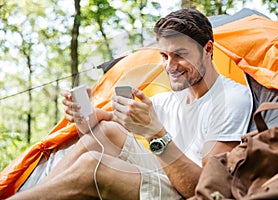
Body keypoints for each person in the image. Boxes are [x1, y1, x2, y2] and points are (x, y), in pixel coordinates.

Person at [8, 8, 252, 199]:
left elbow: (207, 190)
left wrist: (156, 133)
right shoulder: (169, 100)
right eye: (165, 56)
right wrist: (85, 114)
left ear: (208, 49)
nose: (170, 66)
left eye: (180, 54)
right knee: (105, 132)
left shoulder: (229, 99)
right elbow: (112, 120)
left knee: (94, 164)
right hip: (165, 175)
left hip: (187, 190)